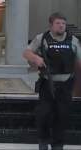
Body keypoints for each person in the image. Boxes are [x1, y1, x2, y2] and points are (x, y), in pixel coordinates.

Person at [23, 12, 81, 150]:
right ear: (51, 25)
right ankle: (43, 141)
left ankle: (57, 145)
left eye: (63, 24)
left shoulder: (72, 40)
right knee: (44, 114)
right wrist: (35, 58)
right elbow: (26, 53)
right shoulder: (42, 38)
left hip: (66, 85)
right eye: (58, 23)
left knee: (62, 116)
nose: (61, 26)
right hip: (47, 83)